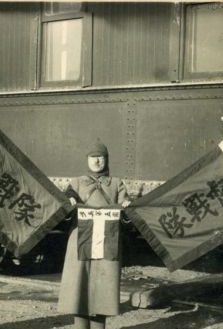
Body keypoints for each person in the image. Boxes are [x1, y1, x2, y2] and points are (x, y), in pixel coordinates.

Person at [57, 140, 131, 329]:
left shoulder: (116, 184)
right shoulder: (77, 183)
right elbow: (64, 205)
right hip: (80, 240)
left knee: (102, 291)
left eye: (100, 157)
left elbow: (127, 211)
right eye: (93, 157)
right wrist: (69, 201)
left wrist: (127, 208)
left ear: (106, 160)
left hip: (108, 241)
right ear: (87, 160)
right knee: (78, 288)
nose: (96, 162)